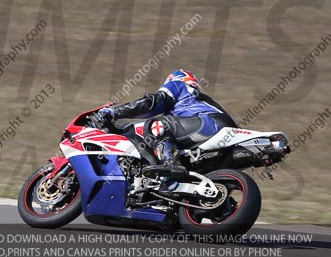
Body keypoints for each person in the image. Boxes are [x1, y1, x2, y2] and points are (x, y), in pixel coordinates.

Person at [97, 69, 237, 187]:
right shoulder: (196, 99)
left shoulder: (178, 85)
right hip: (222, 132)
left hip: (210, 124)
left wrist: (114, 112)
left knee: (156, 125)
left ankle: (171, 164)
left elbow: (151, 103)